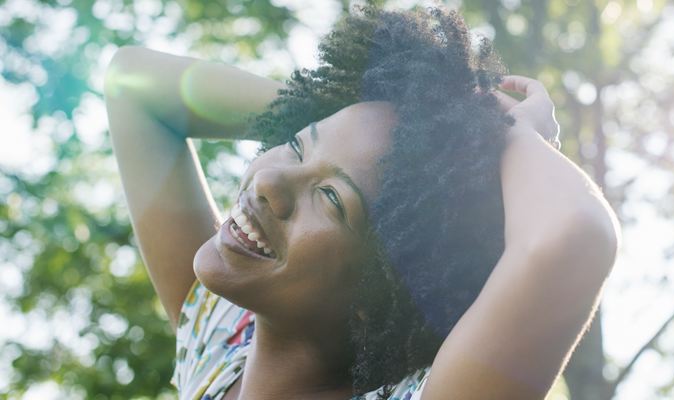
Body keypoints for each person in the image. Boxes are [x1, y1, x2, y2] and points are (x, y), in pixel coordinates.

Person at [105, 5, 618, 400]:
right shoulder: (217, 347)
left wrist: (511, 133)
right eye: (298, 142)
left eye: (331, 198)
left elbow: (575, 239)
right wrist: (344, 109)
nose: (269, 183)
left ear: (377, 298)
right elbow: (134, 84)